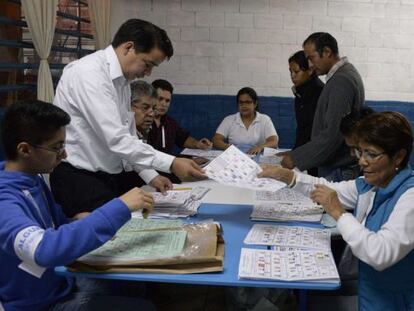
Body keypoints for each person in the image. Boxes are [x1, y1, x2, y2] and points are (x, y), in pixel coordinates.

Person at [0, 100, 155, 311]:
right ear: (25, 149)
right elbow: (44, 249)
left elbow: (57, 225)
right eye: (57, 147)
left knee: (133, 285)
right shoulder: (5, 200)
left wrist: (78, 220)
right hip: (40, 304)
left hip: (61, 283)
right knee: (142, 308)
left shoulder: (31, 179)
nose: (64, 155)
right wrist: (119, 207)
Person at [259, 111, 414, 310]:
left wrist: (338, 212)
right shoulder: (370, 185)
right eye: (361, 152)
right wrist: (288, 177)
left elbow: (380, 253)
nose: (362, 161)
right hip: (371, 293)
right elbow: (328, 189)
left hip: (396, 302)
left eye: (371, 154)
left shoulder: (409, 196)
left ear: (399, 157)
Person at [50, 19, 205, 218]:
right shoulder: (88, 74)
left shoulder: (122, 82)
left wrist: (151, 175)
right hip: (79, 178)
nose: (147, 73)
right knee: (108, 240)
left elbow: (129, 137)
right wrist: (172, 162)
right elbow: (117, 140)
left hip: (105, 177)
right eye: (148, 64)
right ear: (128, 47)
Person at [279, 32, 364, 181]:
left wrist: (295, 158)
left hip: (339, 169)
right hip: (335, 165)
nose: (310, 65)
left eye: (311, 58)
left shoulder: (341, 81)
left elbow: (333, 133)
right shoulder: (343, 75)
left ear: (327, 52)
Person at [118, 81, 172, 194]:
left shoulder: (139, 131)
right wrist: (173, 164)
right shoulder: (117, 130)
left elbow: (135, 159)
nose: (151, 114)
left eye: (153, 108)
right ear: (128, 106)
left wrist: (153, 177)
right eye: (145, 107)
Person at [147, 79, 212, 155]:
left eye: (167, 101)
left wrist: (197, 144)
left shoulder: (170, 123)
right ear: (151, 98)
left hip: (166, 165)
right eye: (160, 99)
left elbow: (183, 139)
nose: (164, 104)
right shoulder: (142, 121)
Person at [212, 87, 278, 155]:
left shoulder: (264, 119)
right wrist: (229, 148)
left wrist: (260, 147)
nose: (244, 106)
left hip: (257, 156)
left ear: (255, 104)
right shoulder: (229, 120)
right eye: (241, 102)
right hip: (235, 157)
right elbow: (216, 140)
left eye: (248, 102)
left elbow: (274, 141)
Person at [289, 50, 324, 176]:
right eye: (290, 71)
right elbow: (302, 127)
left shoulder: (318, 93)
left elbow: (312, 131)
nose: (292, 75)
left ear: (309, 70)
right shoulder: (300, 92)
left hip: (317, 156)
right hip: (306, 154)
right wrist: (293, 153)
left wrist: (296, 156)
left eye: (296, 71)